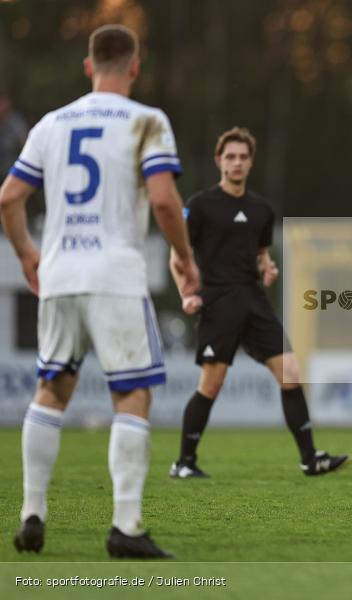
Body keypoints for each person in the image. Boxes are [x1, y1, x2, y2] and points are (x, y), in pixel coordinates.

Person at [1, 25, 199, 558]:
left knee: (52, 389)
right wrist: (183, 256)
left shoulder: (51, 123)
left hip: (60, 275)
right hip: (114, 276)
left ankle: (32, 512)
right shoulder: (146, 121)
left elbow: (9, 197)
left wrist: (26, 252)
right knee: (131, 394)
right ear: (134, 67)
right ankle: (126, 527)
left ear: (88, 67)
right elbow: (162, 201)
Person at [169, 126, 349, 478]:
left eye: (243, 157)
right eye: (230, 157)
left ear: (250, 163)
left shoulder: (261, 209)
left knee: (291, 374)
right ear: (219, 161)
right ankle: (184, 463)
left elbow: (261, 254)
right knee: (211, 384)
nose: (236, 163)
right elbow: (177, 256)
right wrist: (186, 294)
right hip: (218, 302)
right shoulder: (200, 206)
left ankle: (310, 459)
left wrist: (266, 269)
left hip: (254, 301)